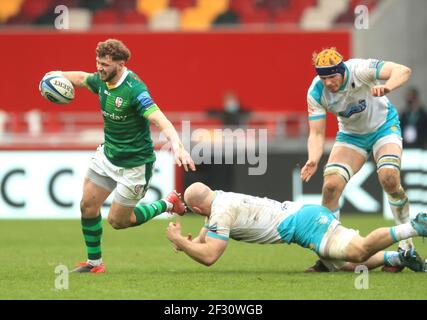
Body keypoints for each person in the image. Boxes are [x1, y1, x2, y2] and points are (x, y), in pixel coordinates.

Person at [46, 39, 196, 273]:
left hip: (135, 165)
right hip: (108, 155)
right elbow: (81, 79)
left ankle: (168, 203)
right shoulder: (101, 80)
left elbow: (159, 118)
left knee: (118, 222)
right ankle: (94, 263)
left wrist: (177, 145)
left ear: (121, 64)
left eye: (105, 64)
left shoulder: (135, 90)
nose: (100, 68)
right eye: (98, 62)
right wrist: (57, 74)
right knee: (87, 205)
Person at [300, 47, 413, 272]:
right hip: (351, 136)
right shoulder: (316, 91)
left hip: (383, 127)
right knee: (330, 186)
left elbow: (404, 70)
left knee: (389, 179)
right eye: (324, 78)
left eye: (332, 76)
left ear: (341, 71)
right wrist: (313, 158)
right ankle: (329, 254)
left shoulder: (360, 69)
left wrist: (387, 86)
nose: (328, 82)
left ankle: (406, 246)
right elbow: (317, 133)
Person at [166, 182, 427, 272]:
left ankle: (413, 227)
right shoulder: (219, 199)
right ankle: (400, 257)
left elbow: (210, 256)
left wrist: (180, 242)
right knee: (342, 264)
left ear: (198, 208)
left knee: (358, 251)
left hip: (305, 224)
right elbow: (204, 235)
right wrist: (189, 243)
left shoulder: (221, 212)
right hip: (304, 214)